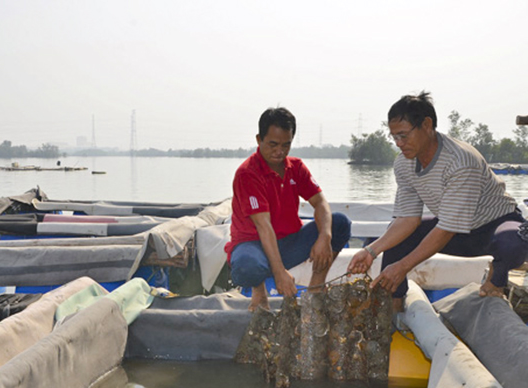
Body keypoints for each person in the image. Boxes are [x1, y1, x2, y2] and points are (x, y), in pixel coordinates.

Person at [347, 91, 528, 312]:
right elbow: (407, 219)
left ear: (427, 125)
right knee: (396, 242)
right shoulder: (404, 164)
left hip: (493, 225)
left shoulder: (460, 160)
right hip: (454, 229)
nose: (399, 143)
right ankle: (392, 309)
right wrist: (371, 251)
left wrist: (402, 267)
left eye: (404, 135)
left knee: (513, 244)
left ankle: (496, 278)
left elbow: (446, 229)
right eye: (394, 137)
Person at [226, 107, 352, 311]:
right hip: (253, 245)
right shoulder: (247, 173)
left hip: (288, 242)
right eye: (273, 144)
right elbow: (263, 226)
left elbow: (320, 203)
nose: (280, 151)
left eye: (286, 145)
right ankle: (259, 294)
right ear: (259, 140)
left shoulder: (296, 167)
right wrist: (279, 273)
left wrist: (325, 238)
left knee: (339, 223)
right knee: (247, 266)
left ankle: (315, 290)